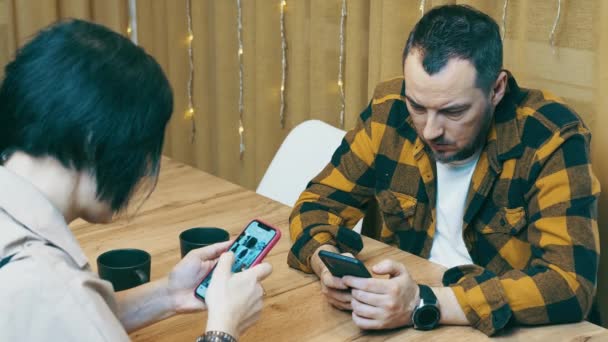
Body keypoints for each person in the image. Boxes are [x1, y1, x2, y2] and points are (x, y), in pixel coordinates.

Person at [287, 4, 600, 336]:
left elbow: (569, 284)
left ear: (496, 89)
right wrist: (326, 263)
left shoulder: (550, 137)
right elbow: (317, 205)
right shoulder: (389, 110)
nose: (431, 130)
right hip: (396, 315)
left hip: (494, 326)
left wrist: (422, 303)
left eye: (454, 111)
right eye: (418, 106)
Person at [0, 19, 271, 341]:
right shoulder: (52, 285)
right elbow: (66, 307)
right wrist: (224, 327)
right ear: (93, 140)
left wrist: (169, 294)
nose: (143, 168)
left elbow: (71, 321)